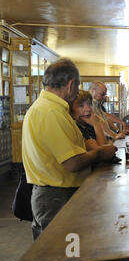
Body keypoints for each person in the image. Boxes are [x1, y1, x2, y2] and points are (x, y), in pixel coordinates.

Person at [22, 58, 117, 240]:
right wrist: (99, 153)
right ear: (71, 84)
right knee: (60, 253)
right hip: (55, 197)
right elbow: (72, 163)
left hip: (56, 193)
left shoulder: (50, 108)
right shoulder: (51, 112)